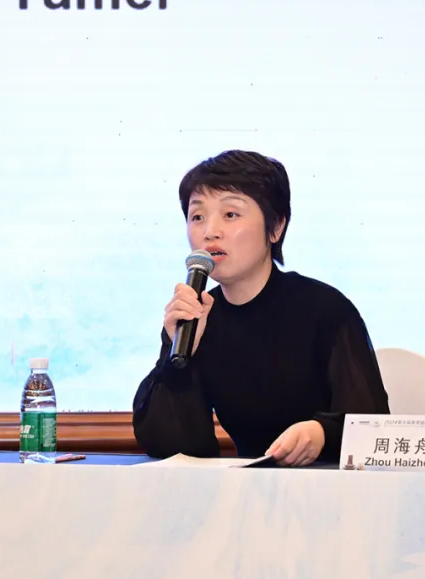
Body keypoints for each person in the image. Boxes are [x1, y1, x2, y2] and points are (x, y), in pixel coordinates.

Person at [132, 149, 390, 466]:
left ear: (276, 227)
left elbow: (373, 427)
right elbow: (173, 448)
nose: (210, 231)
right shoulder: (196, 318)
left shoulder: (325, 310)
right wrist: (175, 362)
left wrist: (321, 431)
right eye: (197, 216)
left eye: (230, 214)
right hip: (246, 487)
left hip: (330, 485)